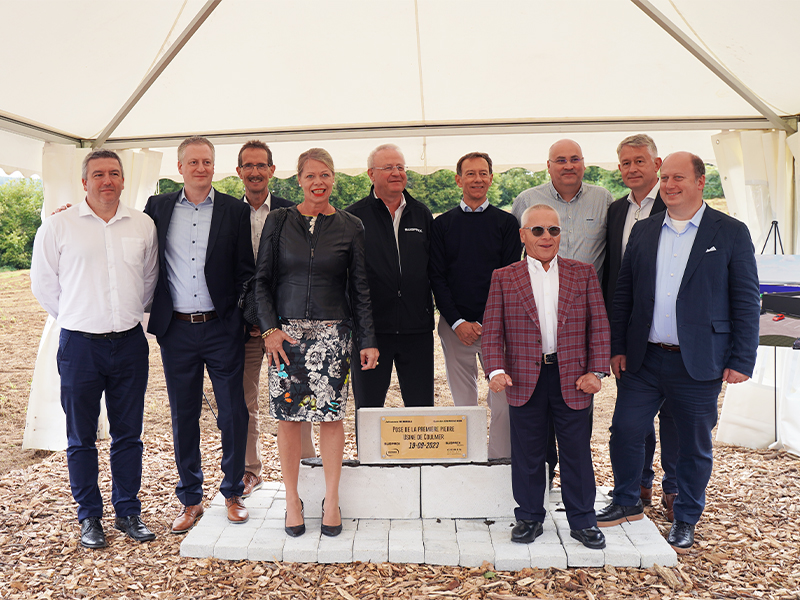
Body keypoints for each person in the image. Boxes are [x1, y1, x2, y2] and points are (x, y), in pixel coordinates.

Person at [596, 152, 760, 553]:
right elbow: (624, 293)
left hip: (699, 360)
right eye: (665, 177)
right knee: (627, 431)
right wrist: (617, 346)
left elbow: (745, 299)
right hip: (644, 358)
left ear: (701, 182)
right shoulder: (645, 230)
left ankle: (686, 516)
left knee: (692, 444)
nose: (669, 185)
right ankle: (626, 500)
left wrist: (742, 359)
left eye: (678, 178)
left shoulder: (731, 232)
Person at [30, 149, 158, 548]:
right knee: (80, 436)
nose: (107, 180)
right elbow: (43, 284)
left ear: (123, 180)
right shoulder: (58, 227)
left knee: (128, 435)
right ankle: (89, 517)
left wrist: (122, 316)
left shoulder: (143, 224)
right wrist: (79, 316)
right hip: (80, 346)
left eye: (114, 173)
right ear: (84, 182)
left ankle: (127, 512)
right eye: (98, 174)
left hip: (130, 344)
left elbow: (150, 281)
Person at [254, 148, 378, 538]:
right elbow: (261, 281)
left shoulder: (351, 225)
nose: (318, 182)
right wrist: (269, 329)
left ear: (333, 179)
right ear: (298, 180)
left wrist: (367, 339)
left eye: (325, 175)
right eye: (310, 176)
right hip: (285, 336)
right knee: (288, 420)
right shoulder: (279, 220)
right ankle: (292, 500)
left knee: (330, 418)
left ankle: (331, 499)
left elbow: (360, 287)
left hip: (332, 334)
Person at [482, 204, 610, 550]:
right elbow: (492, 331)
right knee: (527, 452)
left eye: (553, 230)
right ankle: (528, 517)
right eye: (537, 230)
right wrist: (495, 370)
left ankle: (583, 521)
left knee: (576, 452)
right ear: (523, 236)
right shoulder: (504, 277)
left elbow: (598, 325)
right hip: (523, 379)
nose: (546, 237)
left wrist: (597, 371)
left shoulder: (582, 273)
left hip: (573, 379)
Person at [144, 136, 254, 533]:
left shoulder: (233, 209)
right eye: (193, 162)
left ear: (214, 166)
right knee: (183, 415)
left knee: (233, 413)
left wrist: (240, 318)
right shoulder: (157, 208)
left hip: (221, 328)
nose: (201, 168)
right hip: (176, 330)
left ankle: (232, 491)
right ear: (180, 168)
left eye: (207, 161)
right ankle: (190, 499)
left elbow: (246, 270)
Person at [511, 139, 614, 484]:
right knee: (535, 422)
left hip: (581, 319)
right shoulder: (527, 199)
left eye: (575, 159)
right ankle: (541, 483)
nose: (568, 166)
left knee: (574, 414)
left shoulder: (604, 199)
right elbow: (515, 256)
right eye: (560, 160)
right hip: (535, 319)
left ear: (584, 163)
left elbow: (613, 254)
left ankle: (576, 498)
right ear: (548, 165)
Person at [235, 140, 315, 499]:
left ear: (272, 170)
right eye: (247, 166)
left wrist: (273, 320)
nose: (254, 172)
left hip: (288, 324)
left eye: (261, 165)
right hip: (242, 326)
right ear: (238, 172)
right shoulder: (225, 213)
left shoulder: (292, 211)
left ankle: (310, 468)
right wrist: (252, 317)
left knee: (300, 396)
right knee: (244, 400)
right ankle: (251, 471)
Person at [603, 134, 677, 518]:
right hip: (632, 334)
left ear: (657, 163)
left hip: (674, 334)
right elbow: (616, 277)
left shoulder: (677, 204)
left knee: (675, 418)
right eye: (626, 163)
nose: (633, 169)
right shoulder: (616, 211)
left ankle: (675, 487)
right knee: (634, 417)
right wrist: (615, 339)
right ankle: (641, 481)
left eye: (640, 161)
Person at [429, 152, 520, 459]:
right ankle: (467, 461)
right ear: (458, 180)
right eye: (470, 174)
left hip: (498, 325)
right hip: (455, 327)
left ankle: (499, 462)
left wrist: (489, 323)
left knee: (503, 400)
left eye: (483, 173)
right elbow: (437, 277)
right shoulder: (442, 225)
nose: (478, 179)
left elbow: (507, 276)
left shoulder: (507, 223)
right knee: (464, 403)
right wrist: (457, 322)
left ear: (491, 178)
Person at [346, 144, 434, 410]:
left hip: (416, 329)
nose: (397, 173)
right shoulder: (353, 217)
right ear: (371, 174)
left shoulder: (421, 213)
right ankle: (369, 455)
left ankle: (420, 455)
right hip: (372, 331)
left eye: (400, 167)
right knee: (369, 409)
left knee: (421, 409)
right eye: (388, 168)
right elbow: (346, 277)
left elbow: (434, 268)